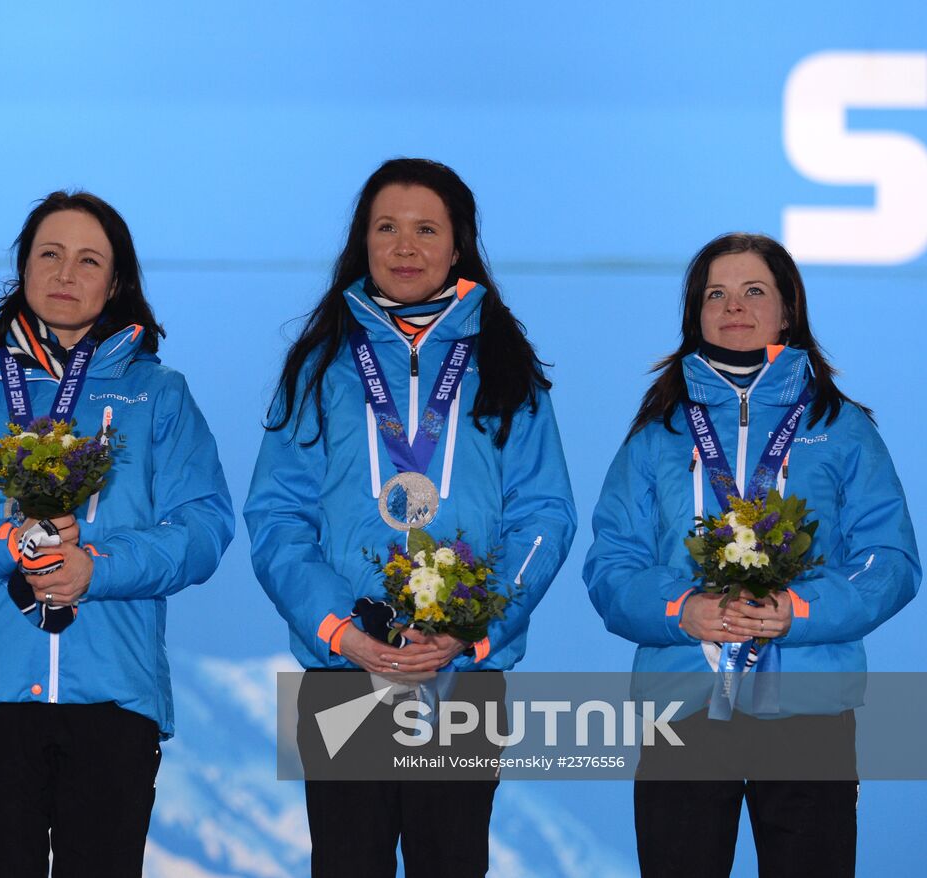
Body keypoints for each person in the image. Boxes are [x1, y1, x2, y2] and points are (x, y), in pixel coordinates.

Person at [0, 190, 233, 877]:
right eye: (49, 254)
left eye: (88, 259)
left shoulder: (158, 394)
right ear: (23, 269)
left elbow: (205, 527)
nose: (66, 273)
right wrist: (6, 543)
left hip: (113, 695)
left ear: (116, 281)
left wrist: (95, 569)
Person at [244, 157, 576, 877]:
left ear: (457, 246)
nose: (404, 247)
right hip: (345, 667)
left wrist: (474, 625)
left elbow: (545, 515)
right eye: (385, 228)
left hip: (461, 671)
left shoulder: (506, 363)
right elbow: (277, 518)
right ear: (361, 242)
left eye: (426, 229)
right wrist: (342, 632)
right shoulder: (320, 364)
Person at [583, 232, 920, 877]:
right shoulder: (658, 434)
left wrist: (799, 610)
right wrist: (683, 610)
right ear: (696, 313)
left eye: (753, 291)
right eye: (716, 293)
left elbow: (891, 559)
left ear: (787, 309)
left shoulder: (842, 428)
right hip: (682, 702)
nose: (733, 306)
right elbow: (611, 565)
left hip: (809, 706)